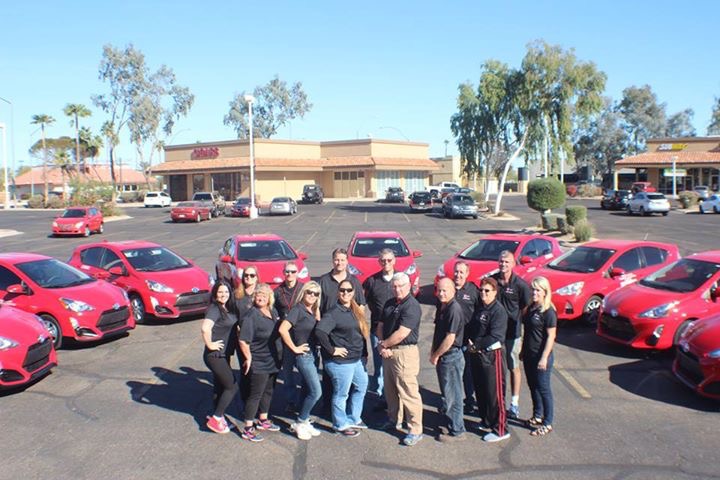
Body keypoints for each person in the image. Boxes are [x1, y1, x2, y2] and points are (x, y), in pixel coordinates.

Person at [314, 279, 369, 437]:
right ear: (338, 292)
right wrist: (332, 350)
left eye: (349, 290)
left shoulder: (355, 309)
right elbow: (320, 332)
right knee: (341, 394)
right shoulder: (333, 312)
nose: (346, 293)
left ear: (353, 292)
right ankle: (340, 424)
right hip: (341, 363)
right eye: (342, 290)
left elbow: (361, 333)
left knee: (361, 386)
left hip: (356, 360)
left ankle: (354, 417)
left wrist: (364, 354)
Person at [377, 272, 424, 447]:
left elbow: (402, 333)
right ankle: (393, 419)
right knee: (390, 389)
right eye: (394, 286)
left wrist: (385, 345)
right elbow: (380, 325)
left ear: (408, 285)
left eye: (401, 286)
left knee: (408, 392)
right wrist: (382, 345)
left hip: (404, 353)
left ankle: (415, 429)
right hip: (388, 352)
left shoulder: (412, 306)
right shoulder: (390, 303)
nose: (397, 289)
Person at [278, 281, 323, 440]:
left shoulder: (312, 310)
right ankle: (300, 421)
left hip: (313, 354)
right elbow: (283, 329)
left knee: (306, 390)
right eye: (309, 292)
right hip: (303, 356)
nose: (312, 296)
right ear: (303, 292)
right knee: (316, 391)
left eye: (316, 294)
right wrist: (295, 348)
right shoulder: (297, 309)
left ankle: (305, 421)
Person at [467, 277, 509, 442]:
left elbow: (496, 336)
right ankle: (486, 420)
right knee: (482, 390)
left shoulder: (498, 311)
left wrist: (476, 345)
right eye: (481, 290)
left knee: (494, 393)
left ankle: (501, 429)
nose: (483, 293)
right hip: (478, 354)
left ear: (495, 292)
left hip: (492, 355)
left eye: (487, 291)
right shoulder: (480, 308)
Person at [238, 283, 282, 442]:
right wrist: (248, 358)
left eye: (264, 295)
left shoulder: (272, 311)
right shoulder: (252, 316)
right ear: (254, 297)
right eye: (258, 295)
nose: (261, 297)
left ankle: (263, 419)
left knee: (268, 391)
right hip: (259, 361)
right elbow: (243, 340)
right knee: (255, 395)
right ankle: (248, 428)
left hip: (273, 359)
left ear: (269, 297)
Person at [491, 251, 532, 420]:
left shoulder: (520, 285)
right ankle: (496, 402)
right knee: (495, 369)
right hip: (494, 334)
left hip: (512, 334)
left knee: (513, 367)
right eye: (501, 261)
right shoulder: (493, 281)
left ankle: (514, 403)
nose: (503, 264)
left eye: (507, 262)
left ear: (513, 264)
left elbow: (525, 308)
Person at [430, 278, 466, 442]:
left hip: (451, 356)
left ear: (453, 291)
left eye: (445, 290)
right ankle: (450, 422)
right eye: (439, 290)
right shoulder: (443, 306)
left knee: (454, 394)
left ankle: (457, 430)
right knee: (447, 393)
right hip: (444, 355)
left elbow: (450, 338)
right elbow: (438, 331)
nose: (441, 293)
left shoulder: (454, 309)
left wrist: (436, 355)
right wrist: (433, 351)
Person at [201, 281, 239, 434]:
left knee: (220, 386)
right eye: (220, 292)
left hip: (223, 354)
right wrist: (210, 344)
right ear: (215, 294)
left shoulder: (226, 308)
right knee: (232, 385)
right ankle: (216, 418)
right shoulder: (215, 308)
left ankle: (218, 416)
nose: (223, 295)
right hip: (215, 355)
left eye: (226, 292)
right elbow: (205, 328)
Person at [521, 276, 557, 437]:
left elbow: (551, 337)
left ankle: (547, 422)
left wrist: (544, 358)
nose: (534, 292)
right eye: (533, 289)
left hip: (541, 357)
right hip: (529, 354)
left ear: (544, 292)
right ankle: (537, 415)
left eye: (537, 290)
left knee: (543, 389)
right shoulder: (530, 308)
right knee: (533, 386)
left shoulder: (548, 312)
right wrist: (523, 350)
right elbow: (527, 332)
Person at [363, 249, 397, 399]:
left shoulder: (400, 279)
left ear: (394, 261)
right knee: (380, 366)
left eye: (389, 260)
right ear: (379, 262)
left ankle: (393, 395)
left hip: (397, 331)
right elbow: (365, 302)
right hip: (377, 331)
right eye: (383, 260)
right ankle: (380, 396)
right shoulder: (372, 281)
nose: (386, 263)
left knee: (396, 366)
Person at [275, 261, 303, 412]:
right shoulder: (278, 291)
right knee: (287, 372)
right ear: (283, 273)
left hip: (302, 335)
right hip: (285, 337)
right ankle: (291, 401)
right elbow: (272, 310)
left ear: (297, 272)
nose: (290, 274)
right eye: (287, 272)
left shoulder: (304, 289)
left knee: (305, 370)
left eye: (292, 271)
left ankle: (305, 399)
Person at [452, 261, 480, 414]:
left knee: (467, 373)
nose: (458, 275)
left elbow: (479, 313)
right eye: (456, 271)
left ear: (467, 274)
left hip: (466, 340)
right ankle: (450, 401)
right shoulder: (447, 288)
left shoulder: (473, 290)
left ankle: (469, 400)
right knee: (450, 373)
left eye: (462, 272)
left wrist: (475, 338)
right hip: (450, 340)